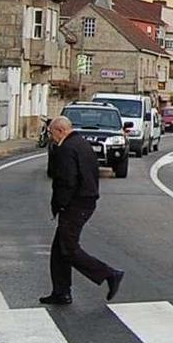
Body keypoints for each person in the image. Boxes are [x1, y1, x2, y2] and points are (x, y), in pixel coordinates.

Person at [40, 116, 124, 305]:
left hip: (76, 204)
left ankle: (109, 274)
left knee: (68, 249)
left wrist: (61, 205)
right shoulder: (82, 144)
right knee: (58, 250)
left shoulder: (67, 149)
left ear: (60, 130)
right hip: (86, 201)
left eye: (51, 133)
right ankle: (61, 292)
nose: (51, 137)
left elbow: (67, 180)